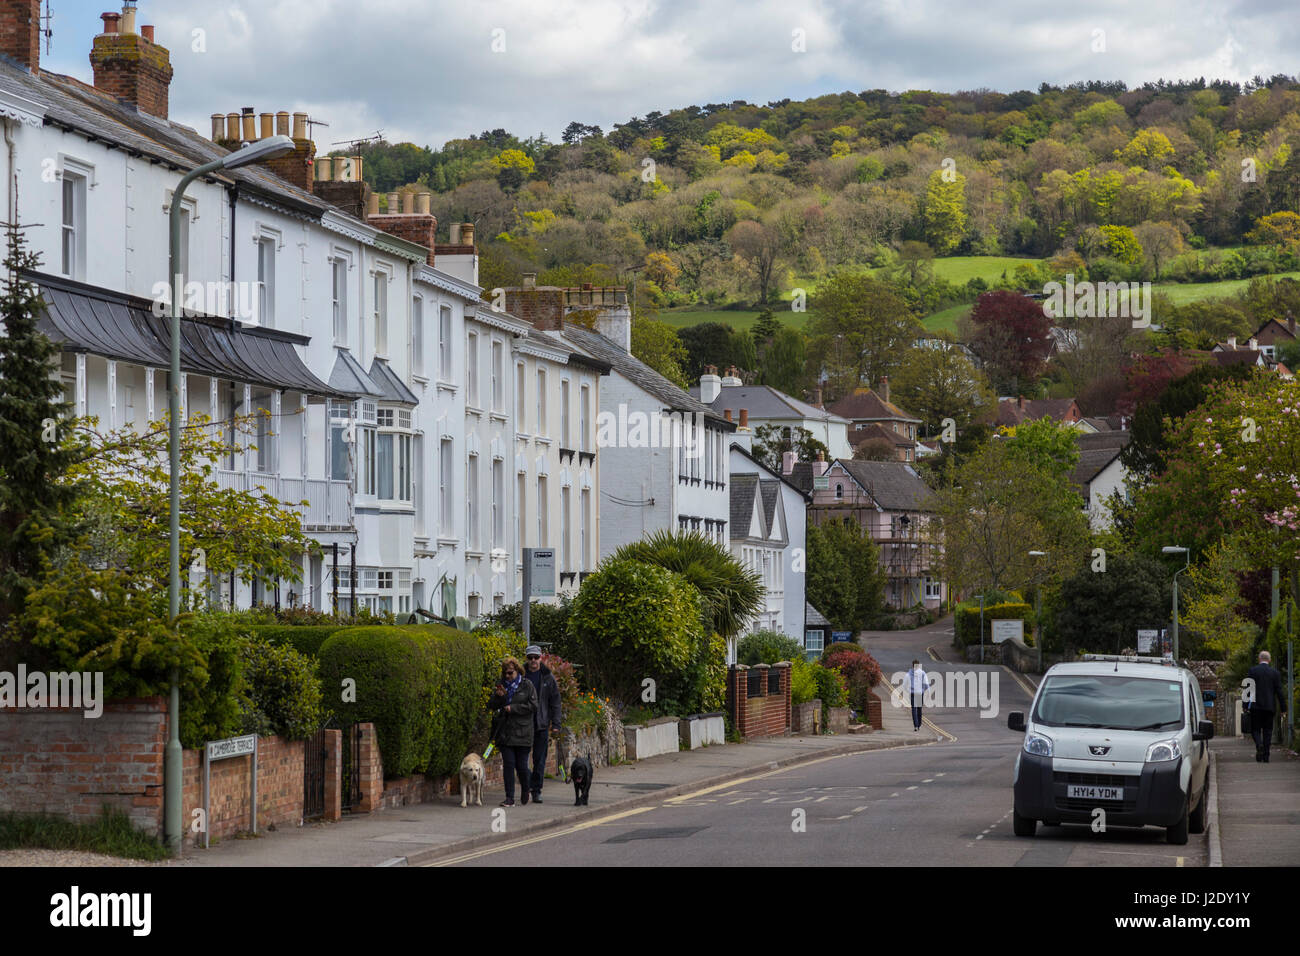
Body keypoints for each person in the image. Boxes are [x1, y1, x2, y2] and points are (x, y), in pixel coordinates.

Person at [487, 657, 537, 806]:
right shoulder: (501, 686)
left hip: (523, 732)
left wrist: (513, 708)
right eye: (505, 673)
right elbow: (491, 705)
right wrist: (498, 697)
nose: (507, 676)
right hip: (506, 732)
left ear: (517, 671)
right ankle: (509, 797)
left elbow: (533, 706)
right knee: (508, 765)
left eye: (510, 673)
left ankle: (526, 789)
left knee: (521, 766)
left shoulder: (527, 685)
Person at [523, 645, 563, 804]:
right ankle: (528, 785)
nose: (533, 660)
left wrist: (556, 724)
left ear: (541, 658)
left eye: (536, 657)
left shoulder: (548, 677)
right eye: (530, 657)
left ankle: (536, 790)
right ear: (527, 659)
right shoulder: (521, 675)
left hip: (541, 724)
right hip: (523, 725)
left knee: (540, 760)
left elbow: (556, 702)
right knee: (521, 760)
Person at [1246, 650, 1286, 762]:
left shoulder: (1253, 671)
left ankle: (1259, 745)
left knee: (1255, 730)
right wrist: (1283, 708)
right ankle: (1266, 756)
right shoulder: (1275, 673)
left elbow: (1247, 689)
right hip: (1269, 707)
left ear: (1259, 659)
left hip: (1255, 707)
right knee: (1268, 731)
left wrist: (1245, 705)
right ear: (1270, 660)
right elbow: (1279, 692)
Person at [906, 659, 934, 732]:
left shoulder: (909, 673)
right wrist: (928, 693)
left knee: (914, 710)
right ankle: (919, 725)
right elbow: (926, 684)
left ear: (912, 665)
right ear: (918, 665)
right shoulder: (922, 673)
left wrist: (907, 691)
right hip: (919, 694)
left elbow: (905, 685)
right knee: (919, 709)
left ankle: (916, 725)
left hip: (912, 693)